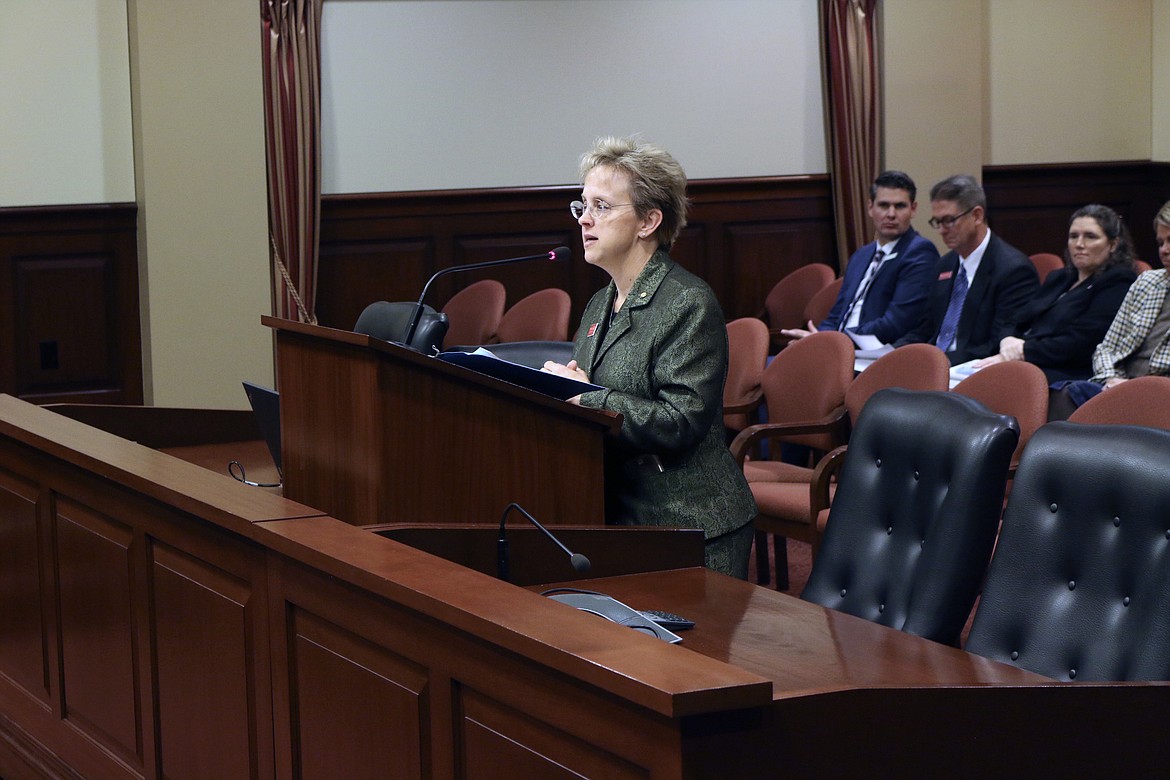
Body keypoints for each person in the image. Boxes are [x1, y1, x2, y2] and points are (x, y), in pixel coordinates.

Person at [542, 137, 757, 578]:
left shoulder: (687, 302)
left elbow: (681, 420)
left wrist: (588, 398)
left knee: (693, 650)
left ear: (648, 221)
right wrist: (569, 388)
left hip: (690, 522)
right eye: (581, 206)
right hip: (622, 515)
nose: (585, 220)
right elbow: (595, 391)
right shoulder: (599, 304)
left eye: (601, 206)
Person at [974, 204, 1137, 382]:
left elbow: (1082, 343)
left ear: (1113, 245)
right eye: (1073, 236)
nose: (1079, 244)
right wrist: (1007, 340)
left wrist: (1023, 351)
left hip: (1064, 372)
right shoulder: (1059, 278)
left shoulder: (1119, 282)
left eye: (1090, 237)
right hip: (1019, 359)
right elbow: (1016, 318)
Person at [893, 174, 1039, 365]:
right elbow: (926, 329)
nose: (942, 230)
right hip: (935, 365)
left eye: (949, 220)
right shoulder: (944, 265)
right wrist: (892, 353)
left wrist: (936, 363)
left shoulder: (1014, 271)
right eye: (938, 222)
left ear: (977, 215)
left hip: (973, 371)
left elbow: (997, 344)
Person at [780, 170, 938, 344]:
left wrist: (834, 341)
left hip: (879, 354)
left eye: (900, 206)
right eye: (884, 205)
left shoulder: (920, 252)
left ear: (913, 209)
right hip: (842, 349)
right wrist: (816, 340)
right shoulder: (861, 255)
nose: (891, 214)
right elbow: (836, 316)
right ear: (870, 208)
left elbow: (895, 323)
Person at [1049, 199, 1170, 418]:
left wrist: (1139, 390)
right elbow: (1107, 348)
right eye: (1161, 242)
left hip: (1161, 397)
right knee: (1063, 394)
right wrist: (1111, 379)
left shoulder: (1118, 281)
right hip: (1119, 385)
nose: (1164, 250)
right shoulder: (1148, 283)